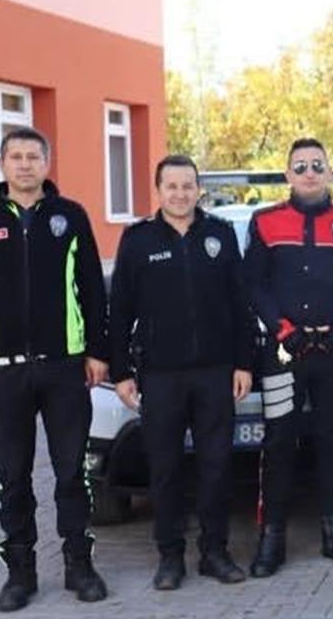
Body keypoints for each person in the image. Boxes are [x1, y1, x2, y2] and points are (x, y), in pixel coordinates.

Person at [0, 127, 109, 611]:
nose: (24, 165)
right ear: (2, 163)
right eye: (15, 156)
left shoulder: (70, 217)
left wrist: (100, 352)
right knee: (12, 475)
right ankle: (21, 571)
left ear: (46, 162)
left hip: (64, 368)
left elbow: (93, 290)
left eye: (32, 156)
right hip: (7, 373)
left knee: (70, 473)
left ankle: (80, 564)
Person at [108, 155, 253, 589]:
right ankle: (170, 556)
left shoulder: (220, 235)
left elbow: (239, 306)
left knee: (216, 466)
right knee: (166, 468)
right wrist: (121, 371)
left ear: (198, 189)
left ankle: (214, 552)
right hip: (161, 375)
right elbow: (120, 313)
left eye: (188, 185)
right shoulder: (137, 240)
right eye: (171, 186)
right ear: (158, 190)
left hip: (215, 372)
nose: (180, 194)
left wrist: (244, 362)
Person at [245, 137, 333, 577]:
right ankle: (272, 538)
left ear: (329, 171)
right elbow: (254, 284)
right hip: (284, 352)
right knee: (278, 442)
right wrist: (281, 329)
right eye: (299, 166)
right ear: (288, 174)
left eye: (317, 164)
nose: (308, 172)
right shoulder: (265, 221)